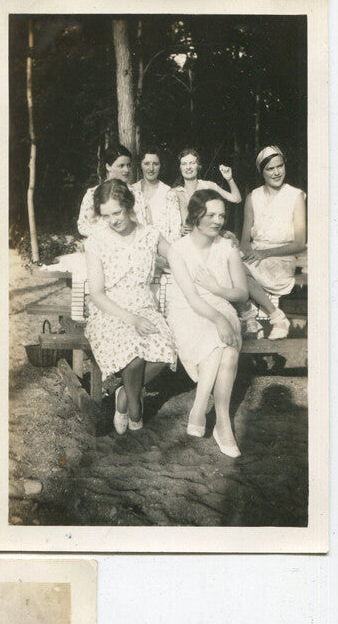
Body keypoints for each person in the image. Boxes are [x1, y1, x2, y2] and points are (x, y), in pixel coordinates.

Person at [83, 179, 177, 434]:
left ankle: (124, 395)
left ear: (128, 206)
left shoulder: (150, 235)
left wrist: (213, 238)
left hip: (145, 307)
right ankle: (136, 408)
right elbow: (98, 294)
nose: (113, 220)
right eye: (106, 215)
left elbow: (181, 255)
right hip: (109, 310)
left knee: (164, 349)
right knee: (133, 357)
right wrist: (131, 320)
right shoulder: (96, 242)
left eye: (117, 212)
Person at [166, 191, 247, 457]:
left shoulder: (227, 248)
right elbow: (190, 297)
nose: (218, 220)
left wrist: (217, 289)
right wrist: (219, 319)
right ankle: (204, 409)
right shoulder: (178, 250)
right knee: (220, 340)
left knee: (229, 349)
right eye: (211, 214)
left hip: (220, 304)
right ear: (195, 215)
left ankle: (217, 420)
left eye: (222, 215)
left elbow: (242, 294)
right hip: (188, 310)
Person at [240, 145, 307, 340]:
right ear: (262, 171)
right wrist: (248, 253)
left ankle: (271, 318)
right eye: (270, 168)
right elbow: (245, 240)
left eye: (280, 166)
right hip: (256, 255)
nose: (277, 172)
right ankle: (272, 318)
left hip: (282, 256)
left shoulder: (295, 196)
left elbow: (300, 243)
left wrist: (264, 254)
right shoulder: (253, 197)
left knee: (238, 271)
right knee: (227, 264)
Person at [172, 148, 240, 230]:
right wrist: (179, 229)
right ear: (180, 168)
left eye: (192, 163)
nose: (188, 167)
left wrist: (229, 179)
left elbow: (236, 199)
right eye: (184, 164)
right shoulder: (174, 192)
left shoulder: (208, 186)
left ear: (198, 166)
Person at [76, 145, 134, 238]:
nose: (126, 170)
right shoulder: (93, 193)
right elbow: (83, 225)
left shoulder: (136, 193)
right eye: (121, 166)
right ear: (108, 166)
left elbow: (143, 222)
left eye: (128, 165)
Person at [130, 148, 182, 243]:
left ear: (161, 165)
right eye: (147, 164)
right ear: (140, 165)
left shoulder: (168, 193)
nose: (151, 169)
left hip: (162, 251)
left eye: (155, 164)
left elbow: (175, 231)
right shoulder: (132, 191)